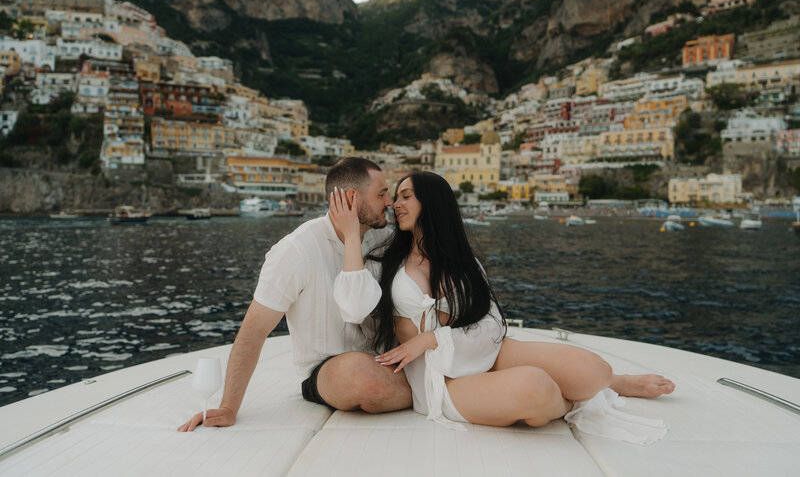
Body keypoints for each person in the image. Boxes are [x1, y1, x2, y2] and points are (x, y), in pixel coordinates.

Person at [331, 171, 673, 429]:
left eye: (406, 196)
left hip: (482, 350)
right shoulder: (384, 263)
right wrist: (350, 237)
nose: (395, 204)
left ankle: (606, 385)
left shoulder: (464, 262)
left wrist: (432, 337)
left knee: (595, 370)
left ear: (431, 203)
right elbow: (353, 308)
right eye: (395, 196)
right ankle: (572, 399)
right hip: (441, 379)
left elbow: (491, 323)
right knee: (537, 387)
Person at [178, 158, 411, 432]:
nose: (389, 202)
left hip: (387, 358)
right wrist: (229, 407)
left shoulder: (382, 240)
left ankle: (429, 389)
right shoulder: (296, 250)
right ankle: (430, 392)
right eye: (382, 193)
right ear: (352, 198)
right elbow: (254, 331)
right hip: (329, 370)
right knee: (359, 376)